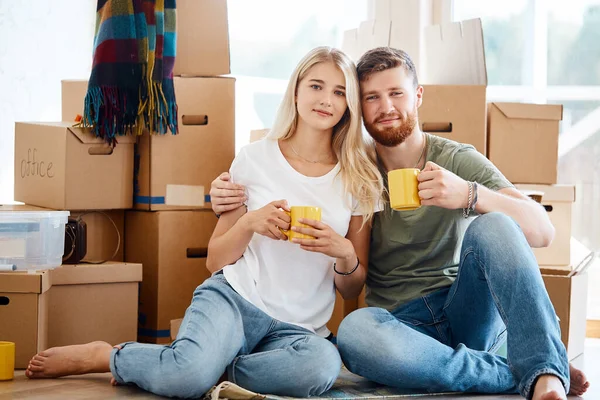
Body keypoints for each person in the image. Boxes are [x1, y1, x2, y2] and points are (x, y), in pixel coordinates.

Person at [209, 47, 590, 400]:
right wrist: (226, 195)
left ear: (418, 95)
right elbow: (282, 175)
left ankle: (541, 370)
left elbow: (543, 231)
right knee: (356, 332)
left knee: (496, 225)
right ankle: (525, 368)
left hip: (465, 308)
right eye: (372, 97)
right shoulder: (349, 170)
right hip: (401, 326)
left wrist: (470, 195)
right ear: (357, 107)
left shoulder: (455, 160)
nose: (385, 107)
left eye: (396, 93)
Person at [24, 46, 383, 399]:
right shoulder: (254, 158)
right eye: (316, 86)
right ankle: (107, 356)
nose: (327, 100)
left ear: (350, 102)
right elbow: (215, 261)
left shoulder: (360, 177)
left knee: (321, 368)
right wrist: (249, 223)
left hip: (300, 329)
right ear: (296, 90)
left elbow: (351, 289)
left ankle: (206, 366)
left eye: (340, 92)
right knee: (187, 377)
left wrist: (344, 252)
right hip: (235, 299)